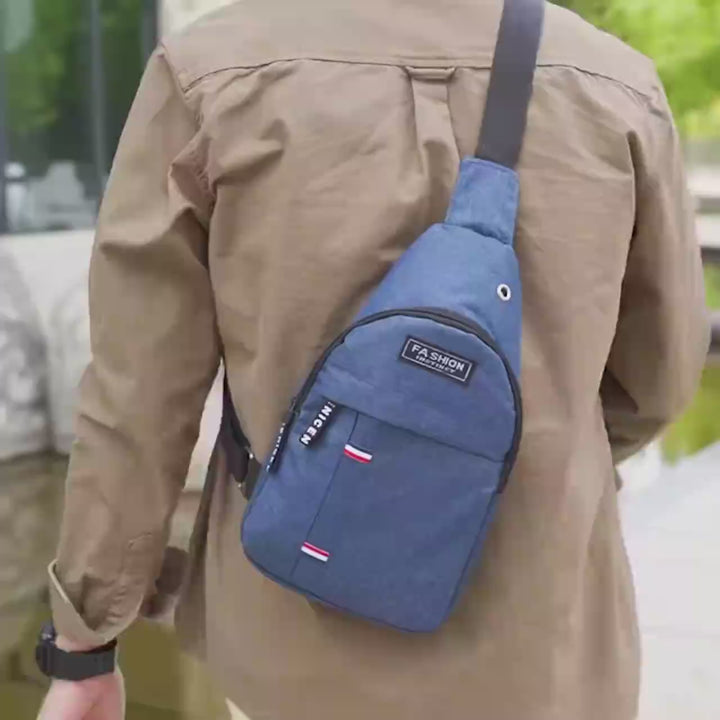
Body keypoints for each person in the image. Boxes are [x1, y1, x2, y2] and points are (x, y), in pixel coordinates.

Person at [37, 0, 709, 719]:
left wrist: (84, 643)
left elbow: (138, 405)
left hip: (291, 643)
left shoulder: (212, 75)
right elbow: (659, 381)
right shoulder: (616, 89)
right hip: (544, 642)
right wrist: (482, 470)